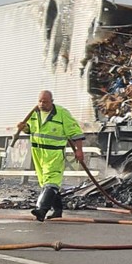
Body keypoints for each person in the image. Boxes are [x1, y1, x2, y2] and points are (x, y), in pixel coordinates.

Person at [16, 90, 85, 221]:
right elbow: (31, 129)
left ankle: (41, 210)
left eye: (45, 102)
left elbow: (75, 132)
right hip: (39, 153)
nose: (42, 104)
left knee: (51, 181)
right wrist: (24, 128)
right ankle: (57, 210)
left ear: (52, 102)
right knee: (45, 183)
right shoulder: (34, 113)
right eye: (40, 101)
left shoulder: (62, 113)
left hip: (54, 153)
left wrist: (79, 150)